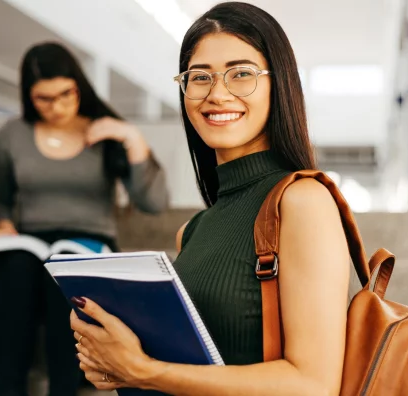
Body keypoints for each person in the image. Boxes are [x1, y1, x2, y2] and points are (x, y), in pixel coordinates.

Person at [69, 2, 352, 395]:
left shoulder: (303, 202)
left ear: (280, 83)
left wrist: (144, 370)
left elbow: (312, 386)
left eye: (241, 74)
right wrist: (115, 366)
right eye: (200, 77)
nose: (217, 94)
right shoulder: (195, 230)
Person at [0, 42, 168, 396]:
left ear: (78, 86)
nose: (57, 106)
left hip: (88, 242)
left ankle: (64, 389)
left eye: (65, 94)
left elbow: (153, 203)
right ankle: (6, 387)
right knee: (16, 270)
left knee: (66, 271)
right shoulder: (13, 134)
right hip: (30, 242)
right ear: (29, 96)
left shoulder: (106, 131)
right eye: (44, 98)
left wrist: (131, 138)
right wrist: (3, 223)